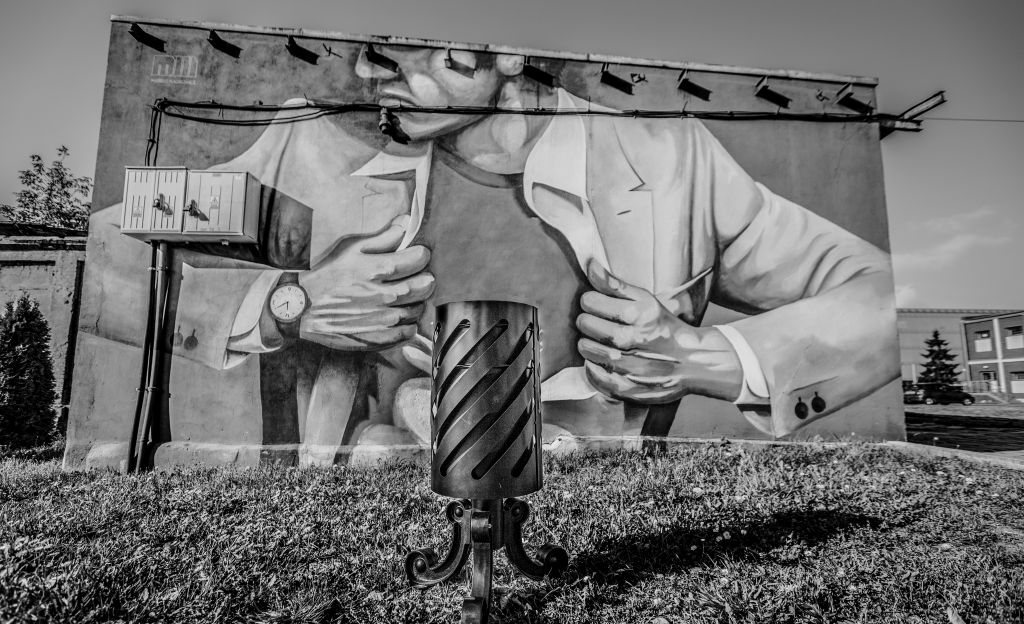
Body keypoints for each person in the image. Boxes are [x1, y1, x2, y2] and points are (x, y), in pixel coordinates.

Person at [91, 45, 899, 461]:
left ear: (509, 51)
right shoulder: (309, 148)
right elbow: (109, 252)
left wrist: (706, 358)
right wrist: (288, 304)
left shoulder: (672, 161)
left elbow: (875, 298)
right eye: (375, 46)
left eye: (415, 48)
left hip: (604, 576)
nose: (376, 72)